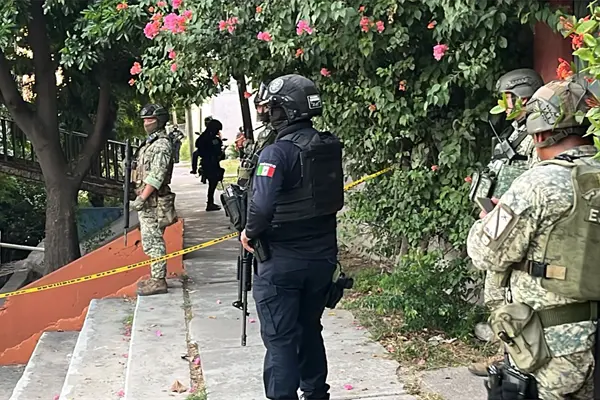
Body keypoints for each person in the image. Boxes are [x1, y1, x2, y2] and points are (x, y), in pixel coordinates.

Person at [467, 78, 599, 399]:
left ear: (538, 134)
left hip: (553, 349)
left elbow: (484, 252)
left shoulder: (537, 185)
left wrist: (488, 220)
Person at [240, 74, 344, 400]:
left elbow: (261, 207)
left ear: (284, 110)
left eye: (271, 108)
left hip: (282, 262)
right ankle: (316, 394)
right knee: (309, 328)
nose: (267, 113)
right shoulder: (327, 146)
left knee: (281, 338)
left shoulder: (276, 153)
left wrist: (248, 233)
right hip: (322, 259)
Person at [468, 68, 544, 377]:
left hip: (519, 226)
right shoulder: (516, 131)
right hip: (502, 219)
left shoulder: (537, 137)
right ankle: (509, 358)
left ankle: (516, 361)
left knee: (506, 297)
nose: (504, 103)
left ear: (524, 96)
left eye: (509, 97)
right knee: (496, 295)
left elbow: (535, 182)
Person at [131, 103, 177, 296]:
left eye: (150, 119)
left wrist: (142, 198)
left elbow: (157, 175)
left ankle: (158, 280)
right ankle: (155, 276)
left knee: (153, 240)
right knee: (149, 239)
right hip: (148, 199)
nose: (146, 123)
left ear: (159, 121)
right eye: (144, 120)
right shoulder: (150, 143)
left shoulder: (161, 144)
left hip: (154, 201)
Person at [237, 81, 277, 188]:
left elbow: (257, 153)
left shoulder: (270, 131)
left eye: (261, 106)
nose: (259, 111)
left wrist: (245, 144)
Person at [196, 118, 225, 211]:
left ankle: (210, 202)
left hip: (207, 162)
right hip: (211, 163)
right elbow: (217, 152)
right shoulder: (211, 139)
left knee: (213, 183)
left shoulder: (203, 137)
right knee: (213, 182)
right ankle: (210, 203)